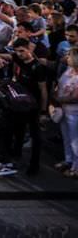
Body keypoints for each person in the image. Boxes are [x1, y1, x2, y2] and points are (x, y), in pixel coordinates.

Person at [0, 38, 48, 175]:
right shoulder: (17, 58)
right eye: (17, 51)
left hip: (33, 107)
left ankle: (34, 165)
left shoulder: (38, 67)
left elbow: (43, 90)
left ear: (29, 49)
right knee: (16, 131)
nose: (19, 54)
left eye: (22, 51)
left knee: (36, 137)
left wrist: (43, 111)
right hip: (19, 105)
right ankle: (14, 156)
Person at [52, 48, 78, 177]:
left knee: (75, 140)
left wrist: (59, 99)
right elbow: (60, 84)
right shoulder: (68, 71)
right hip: (63, 110)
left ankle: (76, 167)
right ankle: (68, 160)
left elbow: (75, 97)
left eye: (69, 55)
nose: (67, 57)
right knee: (66, 138)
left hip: (75, 113)